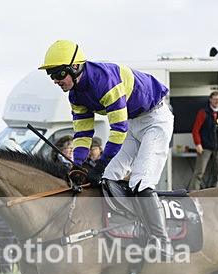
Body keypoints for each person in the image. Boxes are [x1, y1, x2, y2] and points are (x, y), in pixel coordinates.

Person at [39, 39, 174, 259]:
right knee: (108, 178)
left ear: (75, 68)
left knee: (141, 181)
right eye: (51, 75)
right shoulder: (75, 95)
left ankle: (162, 241)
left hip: (155, 120)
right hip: (134, 123)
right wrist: (79, 165)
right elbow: (83, 134)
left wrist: (99, 164)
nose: (55, 80)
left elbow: (118, 129)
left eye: (58, 74)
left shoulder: (105, 81)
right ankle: (126, 232)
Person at [190, 91, 218, 191]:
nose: (217, 101)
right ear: (210, 100)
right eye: (215, 99)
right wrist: (198, 143)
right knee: (199, 172)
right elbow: (196, 129)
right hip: (205, 146)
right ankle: (194, 192)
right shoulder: (203, 112)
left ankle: (215, 193)